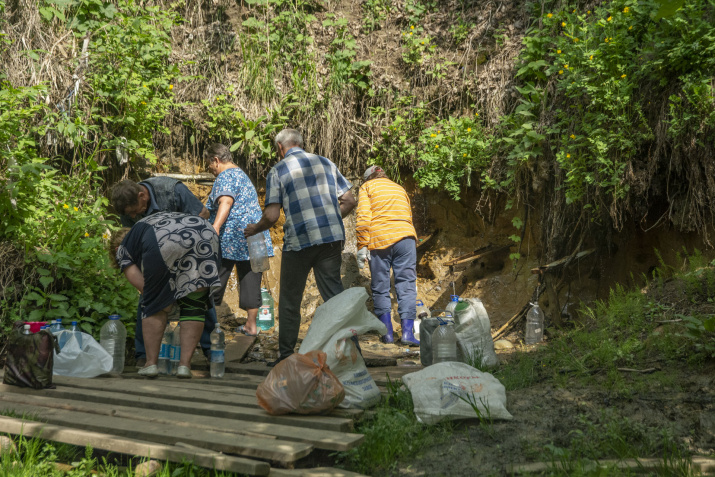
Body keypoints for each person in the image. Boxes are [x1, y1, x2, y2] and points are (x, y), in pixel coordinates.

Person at [244, 128, 357, 366]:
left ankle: (286, 356)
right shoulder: (326, 163)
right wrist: (332, 220)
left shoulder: (278, 170)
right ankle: (352, 353)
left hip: (300, 241)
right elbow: (349, 199)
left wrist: (255, 229)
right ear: (300, 143)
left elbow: (273, 215)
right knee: (334, 296)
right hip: (331, 238)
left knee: (290, 299)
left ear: (280, 148)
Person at [111, 178, 217, 366]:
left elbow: (203, 213)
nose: (135, 215)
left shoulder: (172, 189)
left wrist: (160, 296)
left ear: (142, 195)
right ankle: (143, 355)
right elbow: (131, 234)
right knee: (160, 299)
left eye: (136, 210)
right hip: (160, 249)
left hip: (189, 245)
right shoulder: (129, 207)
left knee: (194, 296)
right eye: (131, 214)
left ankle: (210, 349)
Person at [204, 143, 274, 336]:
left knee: (212, 278)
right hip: (255, 235)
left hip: (232, 237)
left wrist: (215, 227)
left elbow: (225, 201)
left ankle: (204, 325)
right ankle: (251, 326)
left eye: (209, 164)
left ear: (216, 160)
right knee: (251, 279)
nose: (209, 169)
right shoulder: (241, 174)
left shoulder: (225, 176)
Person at [356, 165, 419, 346]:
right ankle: (408, 334)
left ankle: (387, 335)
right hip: (406, 238)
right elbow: (407, 215)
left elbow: (363, 218)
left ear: (368, 178)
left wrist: (362, 245)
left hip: (380, 238)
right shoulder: (400, 188)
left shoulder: (367, 187)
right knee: (406, 285)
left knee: (380, 287)